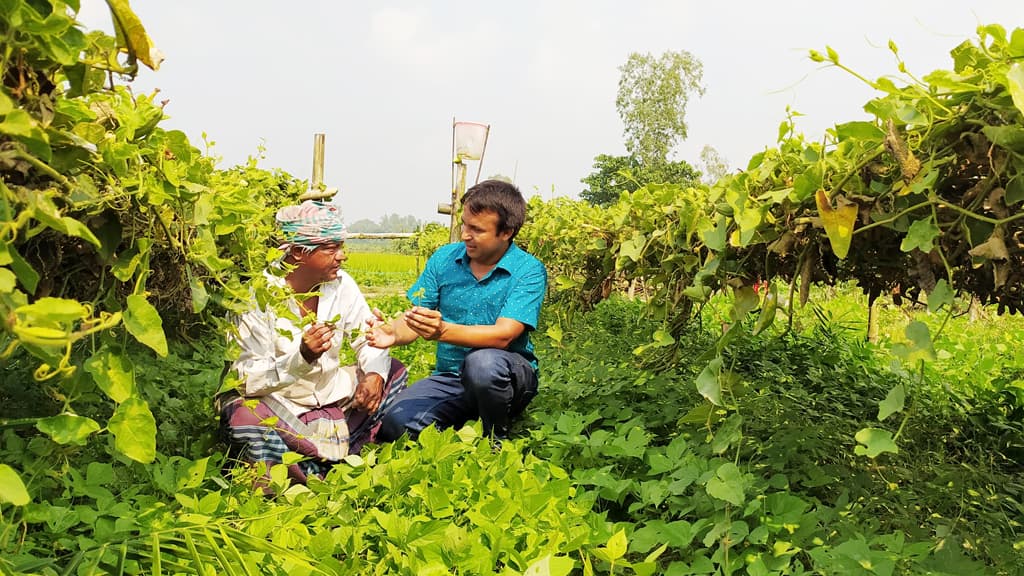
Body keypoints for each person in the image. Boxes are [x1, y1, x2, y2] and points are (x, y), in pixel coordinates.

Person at [219, 200, 408, 484]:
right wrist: (302, 358)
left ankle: (321, 460)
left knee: (391, 371)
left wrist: (372, 374)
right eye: (331, 249)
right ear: (298, 253)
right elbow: (246, 378)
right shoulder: (257, 297)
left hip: (330, 395)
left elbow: (367, 337)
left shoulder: (342, 285)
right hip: (280, 403)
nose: (341, 256)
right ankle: (292, 477)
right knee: (244, 414)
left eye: (340, 247)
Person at [366, 179, 546, 441]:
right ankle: (459, 426)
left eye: (476, 229)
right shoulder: (444, 258)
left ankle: (496, 437)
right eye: (464, 224)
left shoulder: (527, 270)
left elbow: (503, 336)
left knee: (483, 363)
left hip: (508, 376)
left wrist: (443, 331)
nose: (465, 235)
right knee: (395, 424)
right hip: (451, 378)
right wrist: (392, 333)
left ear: (506, 232)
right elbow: (415, 316)